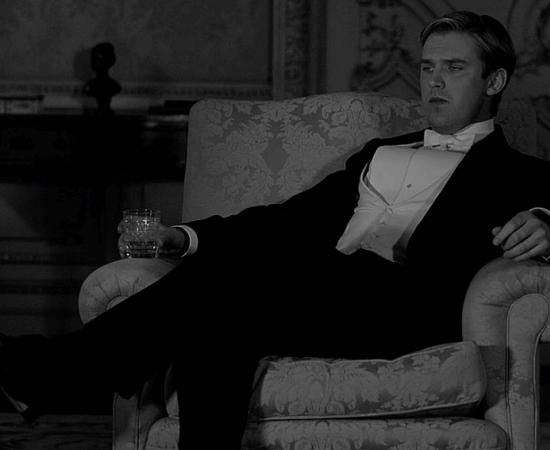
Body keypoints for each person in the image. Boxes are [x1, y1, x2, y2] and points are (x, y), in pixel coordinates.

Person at [1, 10, 550, 449]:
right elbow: (288, 220)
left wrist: (548, 223)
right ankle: (42, 375)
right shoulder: (379, 151)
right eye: (428, 67)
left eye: (454, 68)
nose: (434, 82)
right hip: (318, 286)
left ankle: (43, 372)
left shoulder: (521, 173)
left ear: (494, 79)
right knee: (218, 317)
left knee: (226, 286)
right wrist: (185, 238)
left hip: (401, 309)